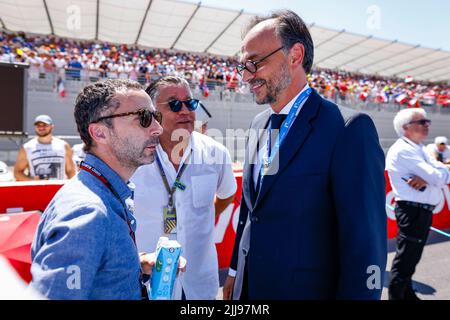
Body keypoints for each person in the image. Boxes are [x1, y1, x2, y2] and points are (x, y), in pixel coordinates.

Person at [223, 10, 387, 300]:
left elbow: (365, 244)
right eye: (244, 65)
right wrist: (236, 273)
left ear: (295, 55)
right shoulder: (258, 123)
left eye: (255, 62)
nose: (247, 76)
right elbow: (251, 214)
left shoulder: (348, 129)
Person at [30, 79, 166, 299]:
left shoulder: (102, 192)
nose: (158, 128)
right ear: (100, 133)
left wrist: (132, 264)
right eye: (143, 118)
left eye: (155, 116)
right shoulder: (87, 212)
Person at [131, 76, 237, 300]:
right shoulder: (131, 157)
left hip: (200, 284)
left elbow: (227, 195)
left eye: (190, 103)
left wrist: (206, 214)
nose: (185, 111)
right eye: (174, 104)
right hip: (144, 284)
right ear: (152, 112)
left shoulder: (216, 153)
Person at [386, 108, 450, 300]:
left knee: (412, 258)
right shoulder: (404, 150)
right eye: (422, 122)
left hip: (420, 210)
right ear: (406, 127)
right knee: (405, 259)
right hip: (412, 210)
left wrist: (436, 173)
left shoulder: (418, 148)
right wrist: (436, 174)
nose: (427, 125)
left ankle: (407, 294)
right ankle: (397, 297)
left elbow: (438, 172)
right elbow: (438, 176)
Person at [14, 115, 76, 181]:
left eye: (45, 125)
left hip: (59, 189)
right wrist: (33, 181)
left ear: (52, 127)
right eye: (38, 125)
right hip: (37, 190)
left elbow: (70, 171)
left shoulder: (63, 145)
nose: (41, 128)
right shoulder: (27, 148)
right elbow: (17, 173)